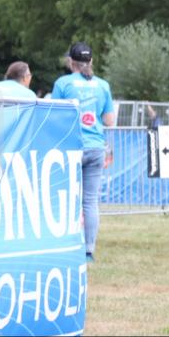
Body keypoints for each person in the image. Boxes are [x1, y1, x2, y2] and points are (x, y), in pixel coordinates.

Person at [52, 42, 115, 263]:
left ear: (70, 62)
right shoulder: (103, 86)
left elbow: (54, 116)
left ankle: (66, 246)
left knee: (67, 198)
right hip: (96, 146)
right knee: (90, 201)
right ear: (91, 62)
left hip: (71, 147)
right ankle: (88, 251)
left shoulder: (63, 83)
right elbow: (109, 120)